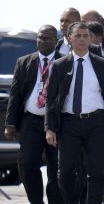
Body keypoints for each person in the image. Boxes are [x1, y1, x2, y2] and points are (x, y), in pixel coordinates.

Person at [45, 22, 104, 204]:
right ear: (70, 38)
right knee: (65, 172)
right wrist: (50, 128)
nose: (83, 39)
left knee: (96, 172)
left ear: (90, 38)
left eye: (86, 36)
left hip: (95, 123)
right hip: (69, 124)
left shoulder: (102, 64)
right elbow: (51, 99)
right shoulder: (59, 65)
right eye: (78, 36)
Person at [4, 25, 64, 204]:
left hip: (56, 124)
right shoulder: (24, 62)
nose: (42, 41)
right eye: (40, 38)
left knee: (56, 167)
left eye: (47, 39)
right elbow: (15, 95)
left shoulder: (64, 62)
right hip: (31, 121)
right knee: (27, 164)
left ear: (56, 42)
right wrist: (10, 123)